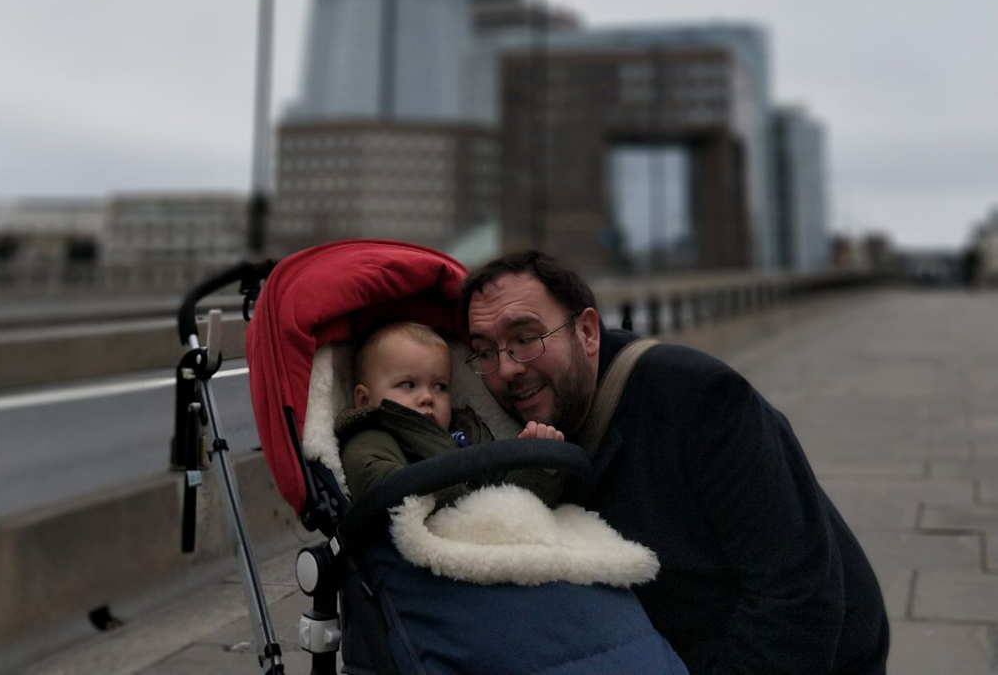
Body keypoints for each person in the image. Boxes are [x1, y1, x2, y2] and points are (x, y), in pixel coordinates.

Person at [462, 252, 889, 675]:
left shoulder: (698, 399)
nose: (505, 369)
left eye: (525, 338)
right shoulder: (528, 446)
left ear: (588, 332)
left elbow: (798, 597)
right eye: (484, 352)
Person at [335, 319, 564, 502]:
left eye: (440, 387)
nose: (427, 397)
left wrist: (538, 466)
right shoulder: (369, 441)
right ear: (365, 400)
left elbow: (509, 492)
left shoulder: (466, 432)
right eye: (408, 385)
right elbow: (389, 494)